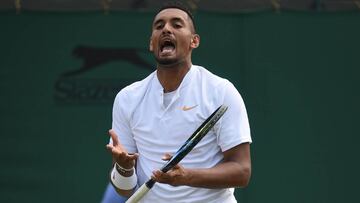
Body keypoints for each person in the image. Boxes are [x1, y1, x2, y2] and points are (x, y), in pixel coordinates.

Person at [106, 2, 252, 202]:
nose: (166, 29)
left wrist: (186, 177)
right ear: (151, 43)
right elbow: (125, 190)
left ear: (194, 41)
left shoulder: (221, 91)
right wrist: (124, 167)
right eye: (159, 26)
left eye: (177, 25)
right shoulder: (127, 98)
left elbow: (241, 171)